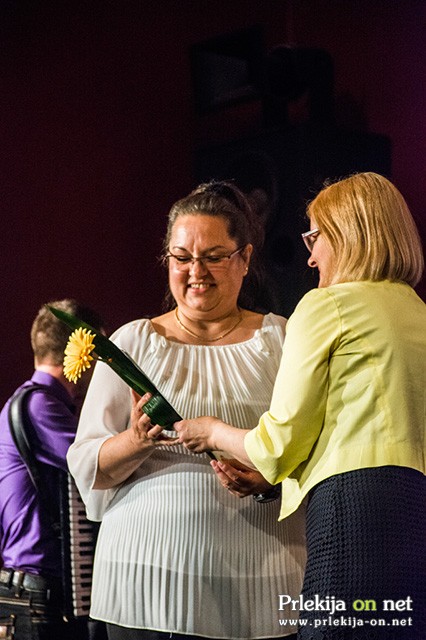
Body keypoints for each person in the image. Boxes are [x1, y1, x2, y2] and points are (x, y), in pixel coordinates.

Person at [174, 172, 426, 639]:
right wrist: (279, 474)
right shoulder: (417, 312)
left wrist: (211, 431)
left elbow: (279, 440)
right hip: (414, 515)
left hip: (352, 514)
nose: (310, 257)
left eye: (315, 237)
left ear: (349, 233)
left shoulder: (327, 305)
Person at [67, 181, 307, 640]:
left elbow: (316, 450)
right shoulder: (133, 342)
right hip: (145, 581)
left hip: (261, 579)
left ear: (245, 259)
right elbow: (87, 466)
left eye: (213, 256)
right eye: (182, 257)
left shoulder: (282, 340)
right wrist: (136, 439)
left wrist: (270, 480)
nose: (196, 271)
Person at [0, 299, 106, 640]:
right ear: (84, 353)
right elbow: (100, 464)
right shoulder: (39, 405)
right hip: (36, 595)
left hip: (37, 590)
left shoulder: (35, 401)